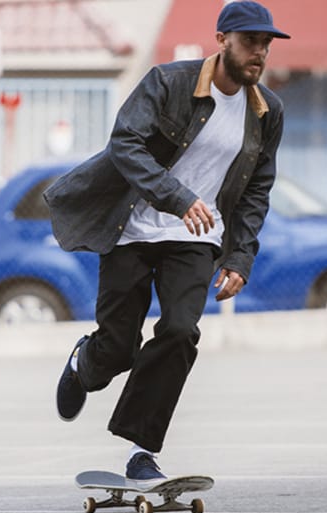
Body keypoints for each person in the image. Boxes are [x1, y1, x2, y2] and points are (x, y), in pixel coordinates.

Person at [43, 0, 290, 487]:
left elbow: (258, 188)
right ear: (222, 40)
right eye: (250, 42)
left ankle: (142, 451)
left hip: (196, 238)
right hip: (131, 229)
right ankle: (83, 363)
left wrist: (240, 254)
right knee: (117, 348)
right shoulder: (168, 82)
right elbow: (125, 143)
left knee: (179, 332)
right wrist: (176, 198)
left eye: (265, 44)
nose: (259, 53)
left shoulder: (267, 112)